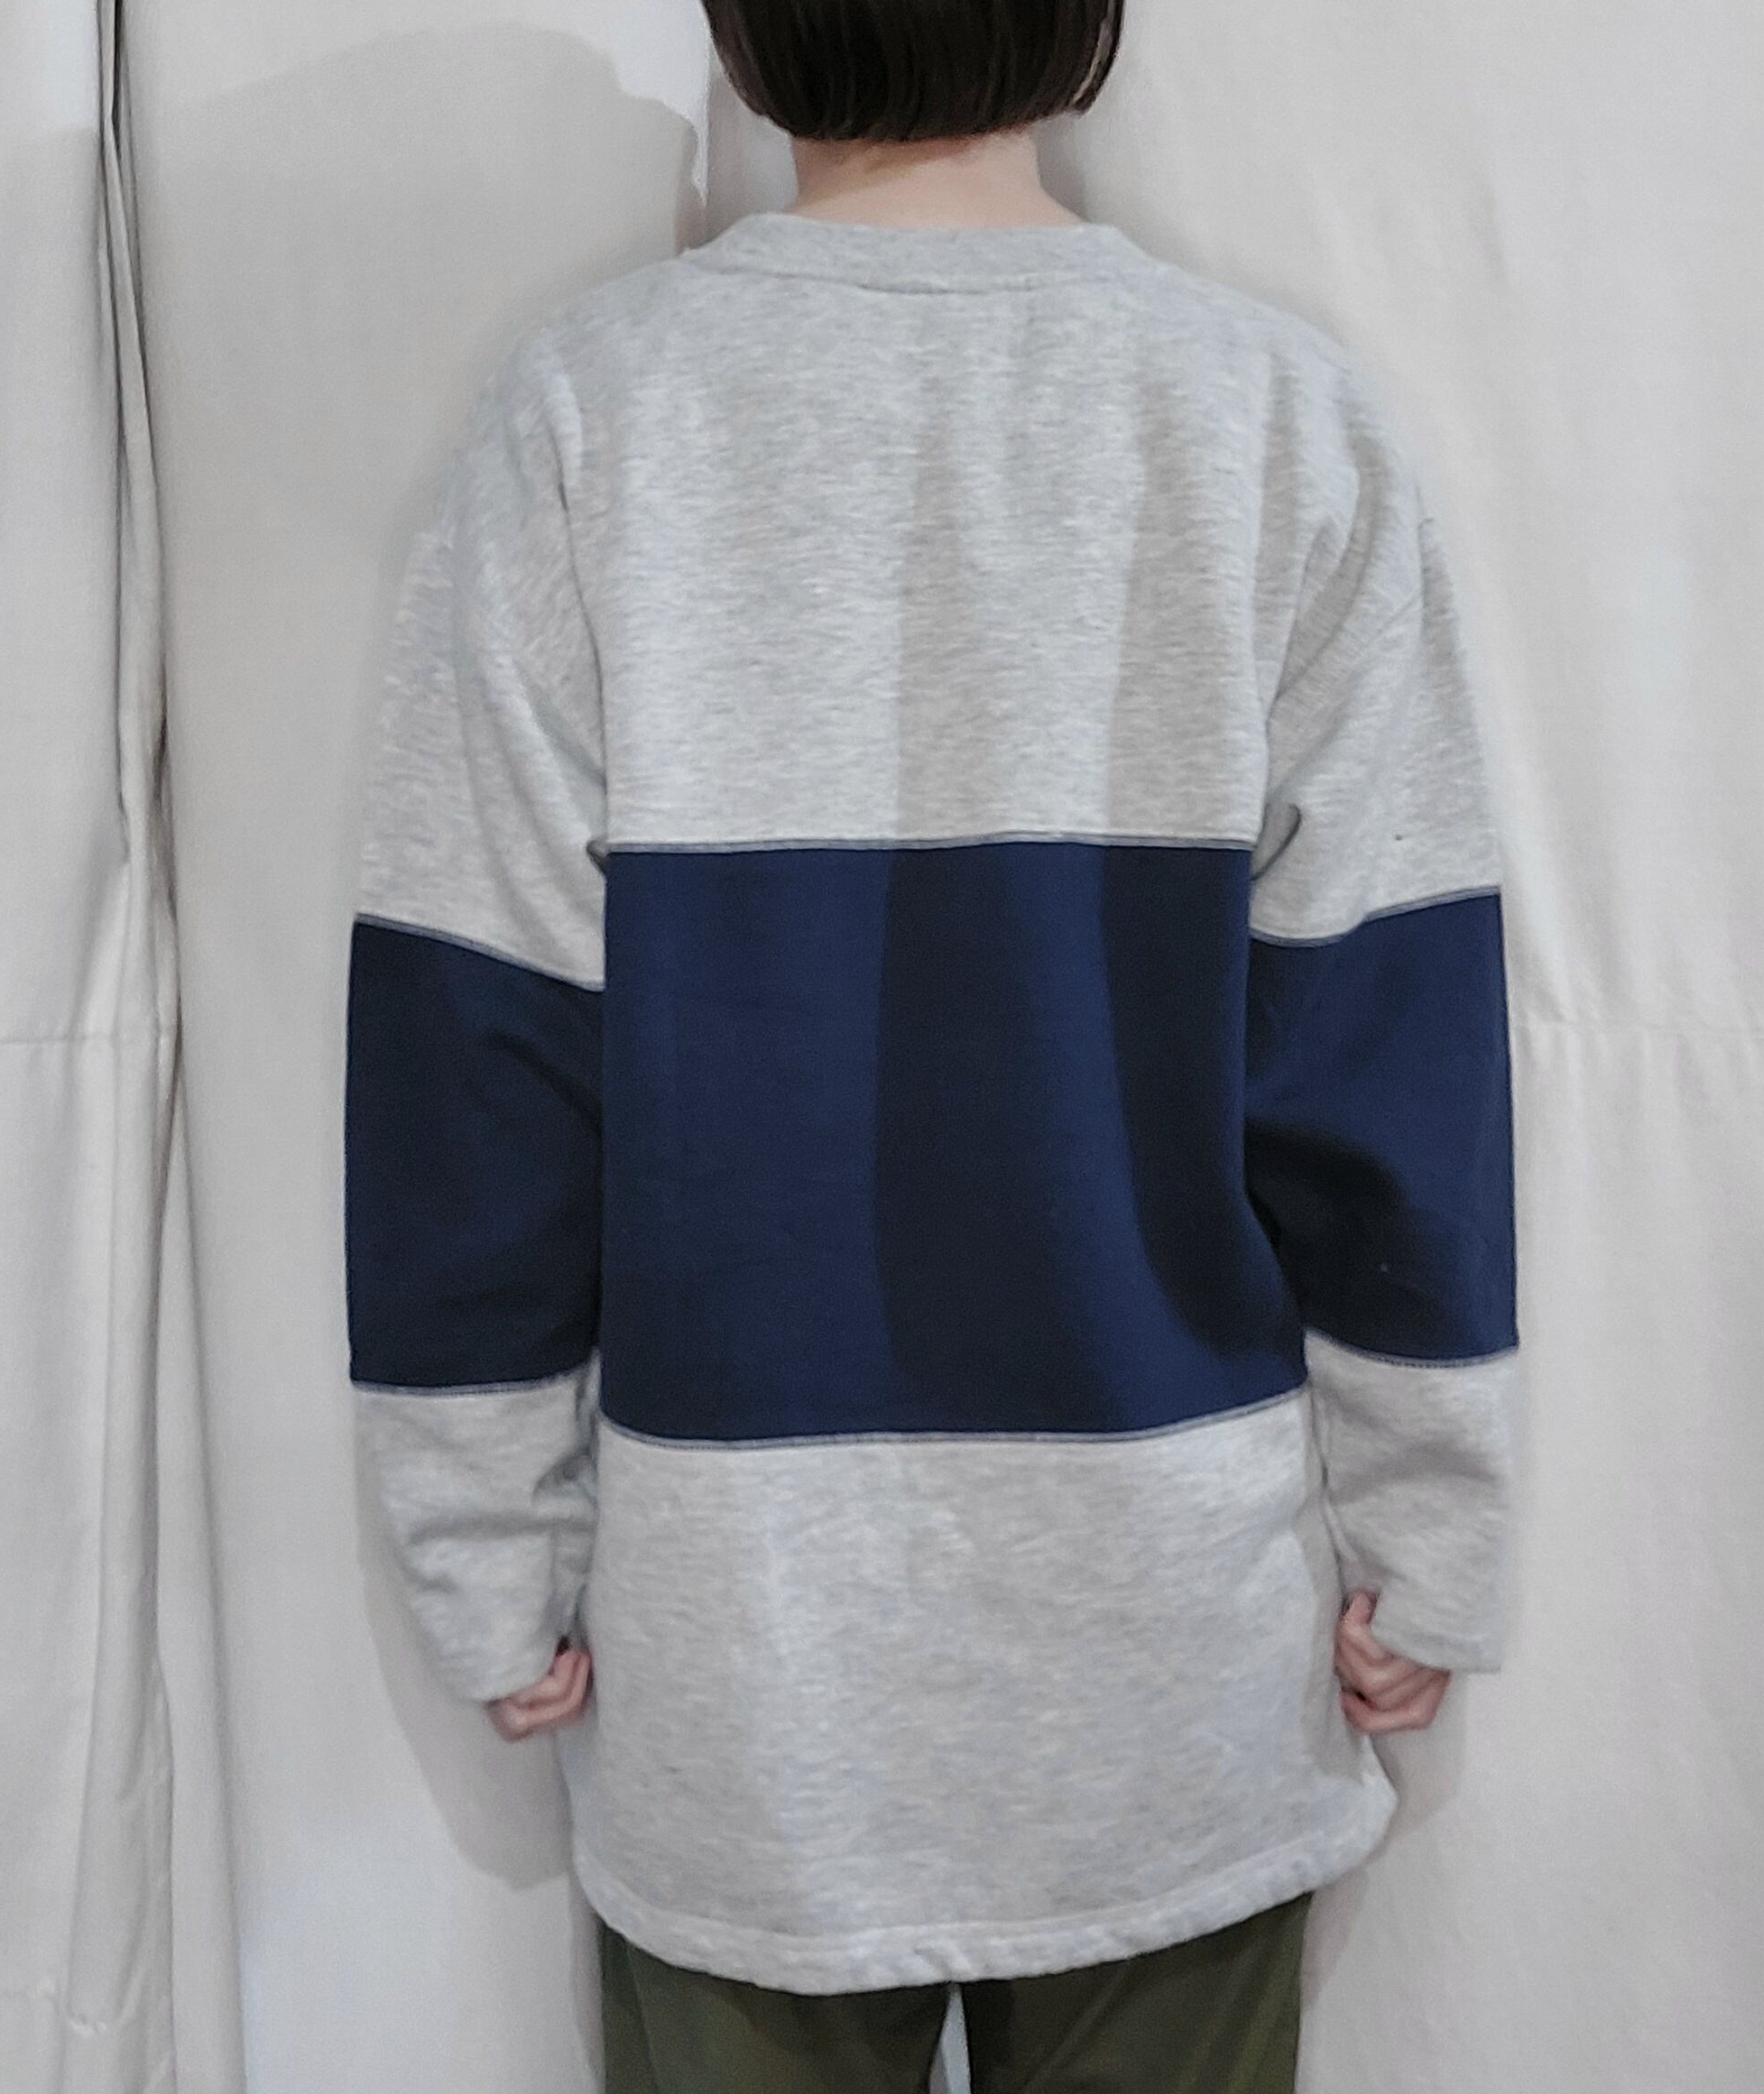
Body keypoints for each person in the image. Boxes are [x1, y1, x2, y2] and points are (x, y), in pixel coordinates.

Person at [341, 2, 1519, 2086]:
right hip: (1174, 1650)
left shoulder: (588, 419)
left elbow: (480, 1051)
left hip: (744, 1667)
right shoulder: (1278, 421)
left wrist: (479, 1541)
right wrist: (1435, 1532)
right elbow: (1385, 1057)